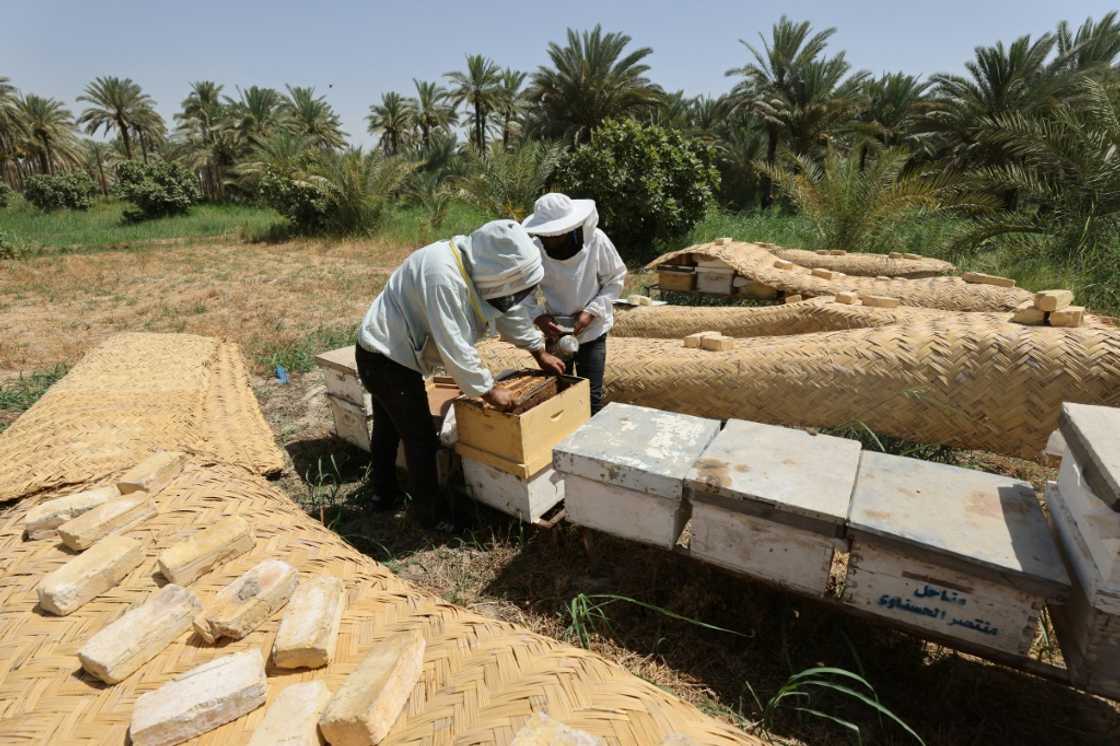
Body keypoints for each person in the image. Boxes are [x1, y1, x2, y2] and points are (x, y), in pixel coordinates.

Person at [354, 220, 565, 528]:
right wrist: (489, 390)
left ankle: (383, 494)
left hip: (388, 355)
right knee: (421, 439)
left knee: (388, 428)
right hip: (384, 359)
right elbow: (454, 345)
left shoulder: (479, 269)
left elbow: (510, 310)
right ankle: (428, 516)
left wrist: (538, 350)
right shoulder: (442, 275)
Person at [521, 193, 626, 414]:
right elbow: (523, 291)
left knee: (591, 395)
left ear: (571, 227)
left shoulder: (596, 240)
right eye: (546, 235)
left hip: (592, 331)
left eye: (555, 235)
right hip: (555, 332)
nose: (550, 240)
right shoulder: (534, 248)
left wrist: (592, 312)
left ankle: (588, 445)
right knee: (558, 393)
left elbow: (615, 279)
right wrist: (539, 317)